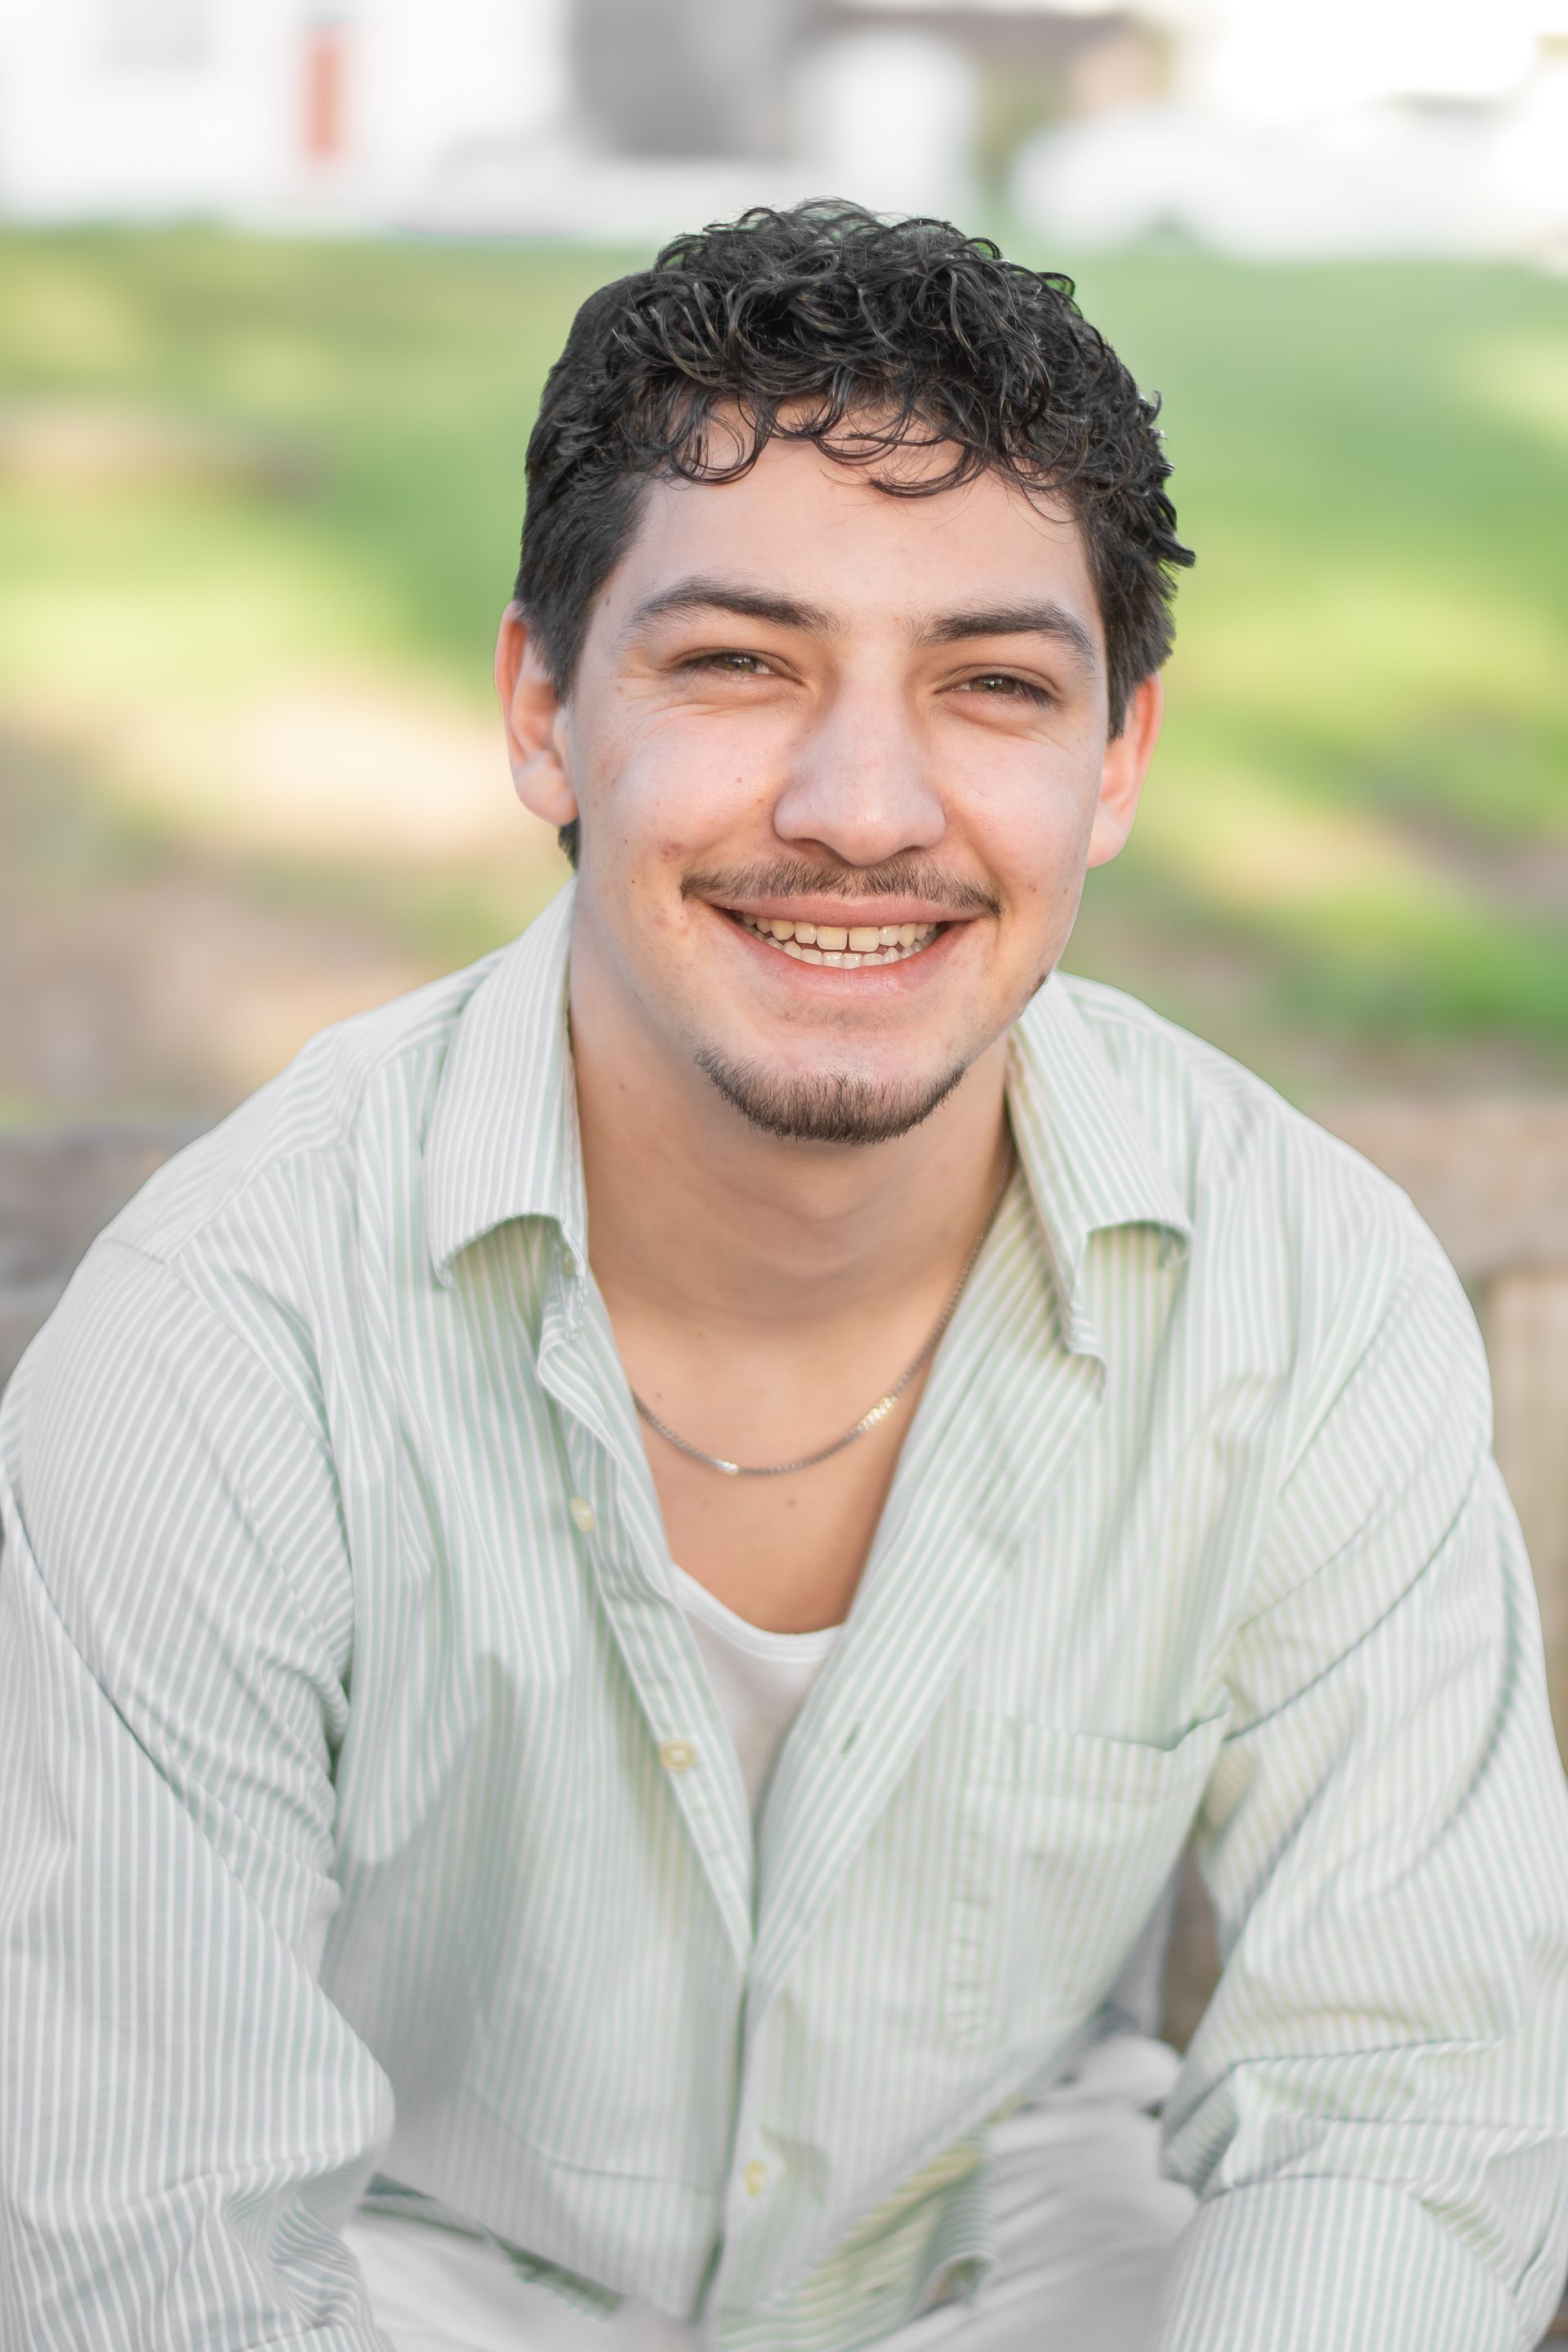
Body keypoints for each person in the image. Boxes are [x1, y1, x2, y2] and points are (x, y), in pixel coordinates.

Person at [2, 203, 1566, 2352]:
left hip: (1023, 2285)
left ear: (1117, 759)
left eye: (993, 686)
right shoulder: (220, 1347)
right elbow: (140, 2241)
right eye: (739, 663)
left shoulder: (1301, 1301)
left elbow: (1411, 2106)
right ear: (543, 712)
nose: (858, 809)